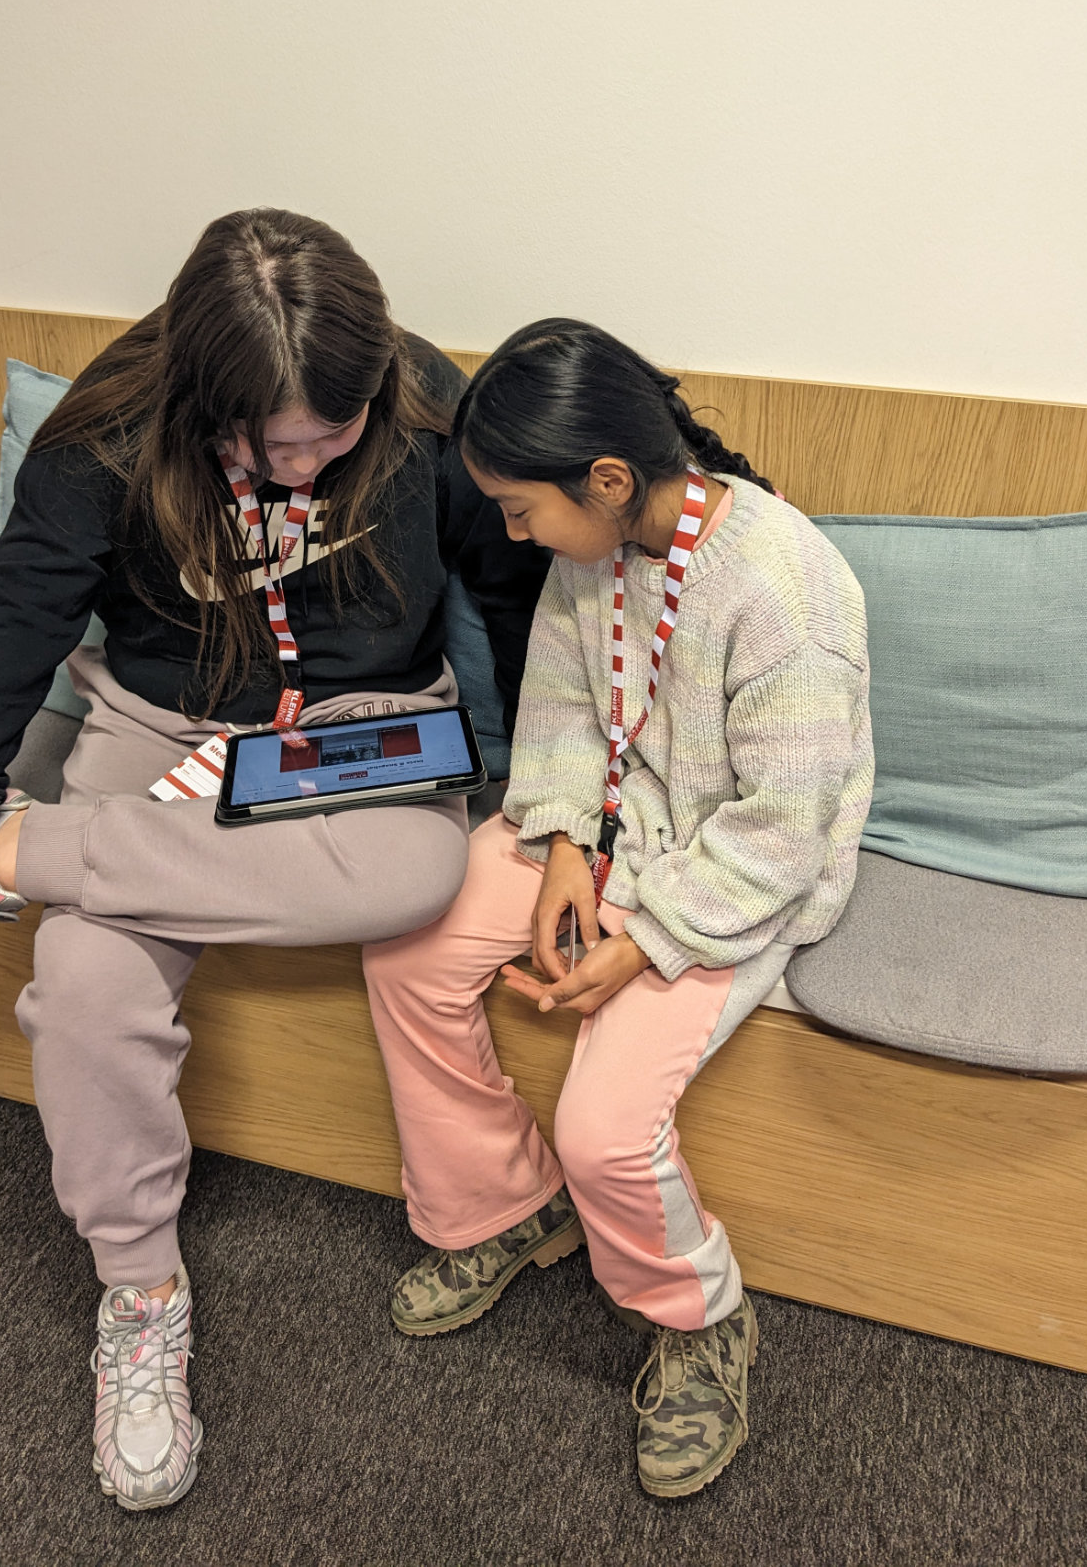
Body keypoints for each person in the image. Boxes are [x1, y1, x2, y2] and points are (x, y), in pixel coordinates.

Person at [0, 209, 549, 1513]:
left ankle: (27, 852)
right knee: (87, 984)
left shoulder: (427, 410)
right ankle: (139, 1290)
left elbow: (517, 596)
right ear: (204, 403)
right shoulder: (105, 436)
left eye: (332, 433)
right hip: (163, 726)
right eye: (273, 444)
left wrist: (553, 792)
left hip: (366, 734)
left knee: (421, 877)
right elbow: (17, 615)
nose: (306, 464)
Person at [361, 318, 873, 1500]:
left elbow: (783, 828)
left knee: (602, 1127)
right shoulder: (599, 543)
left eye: (519, 509)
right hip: (608, 824)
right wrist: (561, 848)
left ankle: (701, 1317)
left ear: (604, 478)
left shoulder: (786, 592)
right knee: (409, 956)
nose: (511, 532)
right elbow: (557, 701)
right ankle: (502, 1201)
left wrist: (642, 940)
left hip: (730, 879)